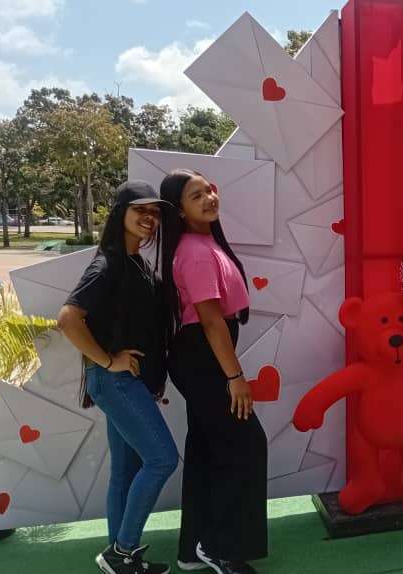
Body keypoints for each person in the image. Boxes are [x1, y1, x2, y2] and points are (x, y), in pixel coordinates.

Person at [57, 181, 177, 574]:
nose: (148, 218)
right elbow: (68, 318)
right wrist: (108, 362)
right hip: (115, 383)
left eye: (154, 213)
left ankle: (121, 558)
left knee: (125, 470)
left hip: (128, 386)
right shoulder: (107, 264)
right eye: (139, 210)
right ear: (120, 214)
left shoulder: (135, 263)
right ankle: (120, 551)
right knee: (162, 459)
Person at [160, 169, 267, 574]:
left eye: (209, 190)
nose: (208, 198)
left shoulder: (205, 242)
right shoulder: (194, 251)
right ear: (180, 211)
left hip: (203, 358)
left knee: (207, 450)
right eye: (195, 195)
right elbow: (210, 320)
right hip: (203, 359)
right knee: (246, 447)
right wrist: (235, 378)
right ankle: (219, 545)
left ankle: (193, 548)